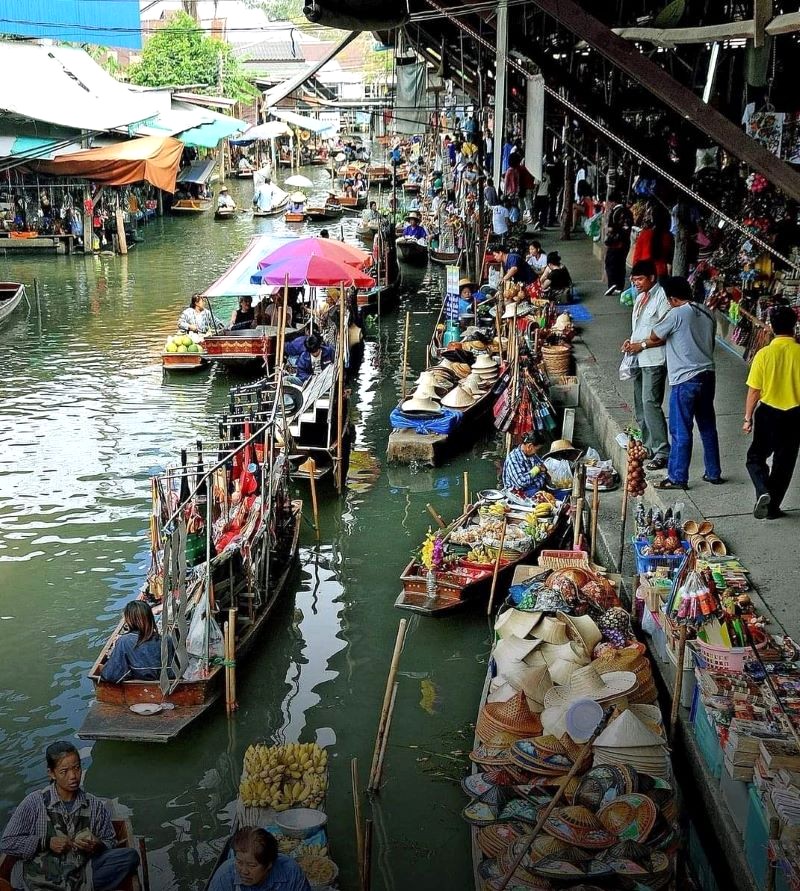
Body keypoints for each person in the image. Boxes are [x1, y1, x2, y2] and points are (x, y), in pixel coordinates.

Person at [0, 741, 140, 890]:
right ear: (51, 773)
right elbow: (8, 843)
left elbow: (110, 842)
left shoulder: (94, 805)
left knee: (130, 856)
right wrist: (46, 843)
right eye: (64, 771)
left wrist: (97, 845)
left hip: (82, 874)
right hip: (39, 877)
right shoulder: (34, 802)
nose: (73, 776)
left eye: (77, 768)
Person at [635, 276, 722, 490]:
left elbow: (655, 333)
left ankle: (677, 477)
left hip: (684, 378)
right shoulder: (706, 312)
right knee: (708, 426)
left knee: (680, 429)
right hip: (707, 374)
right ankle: (713, 472)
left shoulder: (676, 314)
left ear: (672, 298)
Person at [744, 305, 800, 519]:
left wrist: (747, 418)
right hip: (795, 416)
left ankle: (762, 490)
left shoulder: (764, 354)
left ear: (771, 327)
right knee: (784, 464)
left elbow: (754, 391)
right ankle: (772, 509)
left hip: (768, 414)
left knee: (755, 457)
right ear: (794, 327)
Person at [619, 261, 671, 471]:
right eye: (634, 280)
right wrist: (630, 343)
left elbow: (663, 334)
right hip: (638, 359)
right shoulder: (640, 298)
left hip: (654, 360)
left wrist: (639, 345)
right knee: (640, 405)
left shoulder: (663, 299)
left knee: (651, 403)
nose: (636, 283)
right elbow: (639, 328)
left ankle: (662, 450)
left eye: (640, 279)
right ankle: (648, 445)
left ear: (652, 277)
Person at [208, 827, 310, 891]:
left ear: (269, 864)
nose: (244, 871)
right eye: (239, 862)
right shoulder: (224, 877)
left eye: (252, 865)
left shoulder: (291, 872)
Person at [100, 601, 173, 684]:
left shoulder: (124, 641)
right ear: (150, 618)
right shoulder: (167, 639)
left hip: (137, 687)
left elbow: (111, 675)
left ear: (130, 620)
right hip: (166, 685)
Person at [604, 192, 634, 296]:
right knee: (621, 264)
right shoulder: (628, 212)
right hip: (626, 242)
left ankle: (613, 283)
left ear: (612, 202)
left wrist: (610, 232)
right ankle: (620, 285)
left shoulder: (615, 212)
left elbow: (611, 228)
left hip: (616, 243)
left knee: (610, 263)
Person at [502, 431, 550, 496]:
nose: (536, 452)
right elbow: (521, 482)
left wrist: (540, 473)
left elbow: (543, 471)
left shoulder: (533, 455)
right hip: (516, 495)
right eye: (537, 449)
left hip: (534, 489)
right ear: (530, 446)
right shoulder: (513, 458)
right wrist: (537, 469)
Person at [632, 208, 674, 280]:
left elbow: (637, 256)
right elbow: (669, 259)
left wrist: (633, 273)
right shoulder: (668, 237)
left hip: (643, 272)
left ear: (653, 219)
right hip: (661, 273)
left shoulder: (644, 234)